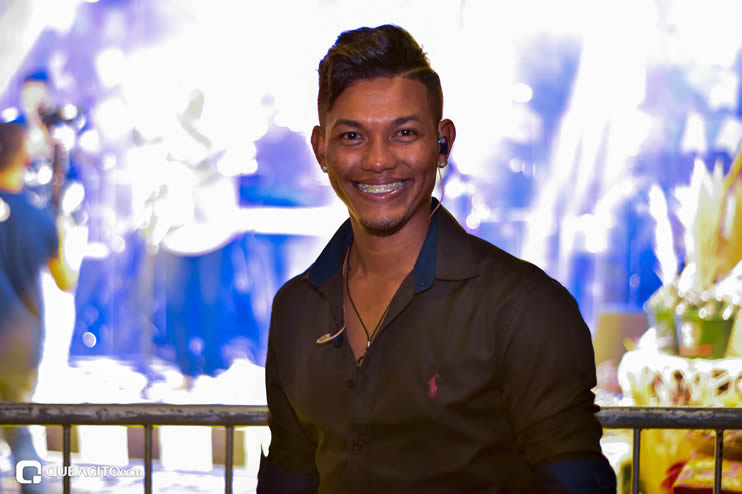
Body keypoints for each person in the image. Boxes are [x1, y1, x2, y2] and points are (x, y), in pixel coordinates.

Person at [257, 25, 616, 493]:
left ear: (442, 143)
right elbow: (289, 476)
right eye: (353, 136)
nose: (379, 160)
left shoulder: (525, 309)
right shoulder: (296, 309)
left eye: (404, 133)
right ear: (321, 149)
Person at [0, 122, 78, 493]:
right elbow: (65, 279)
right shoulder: (39, 217)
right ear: (24, 158)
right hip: (19, 345)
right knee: (18, 432)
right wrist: (64, 232)